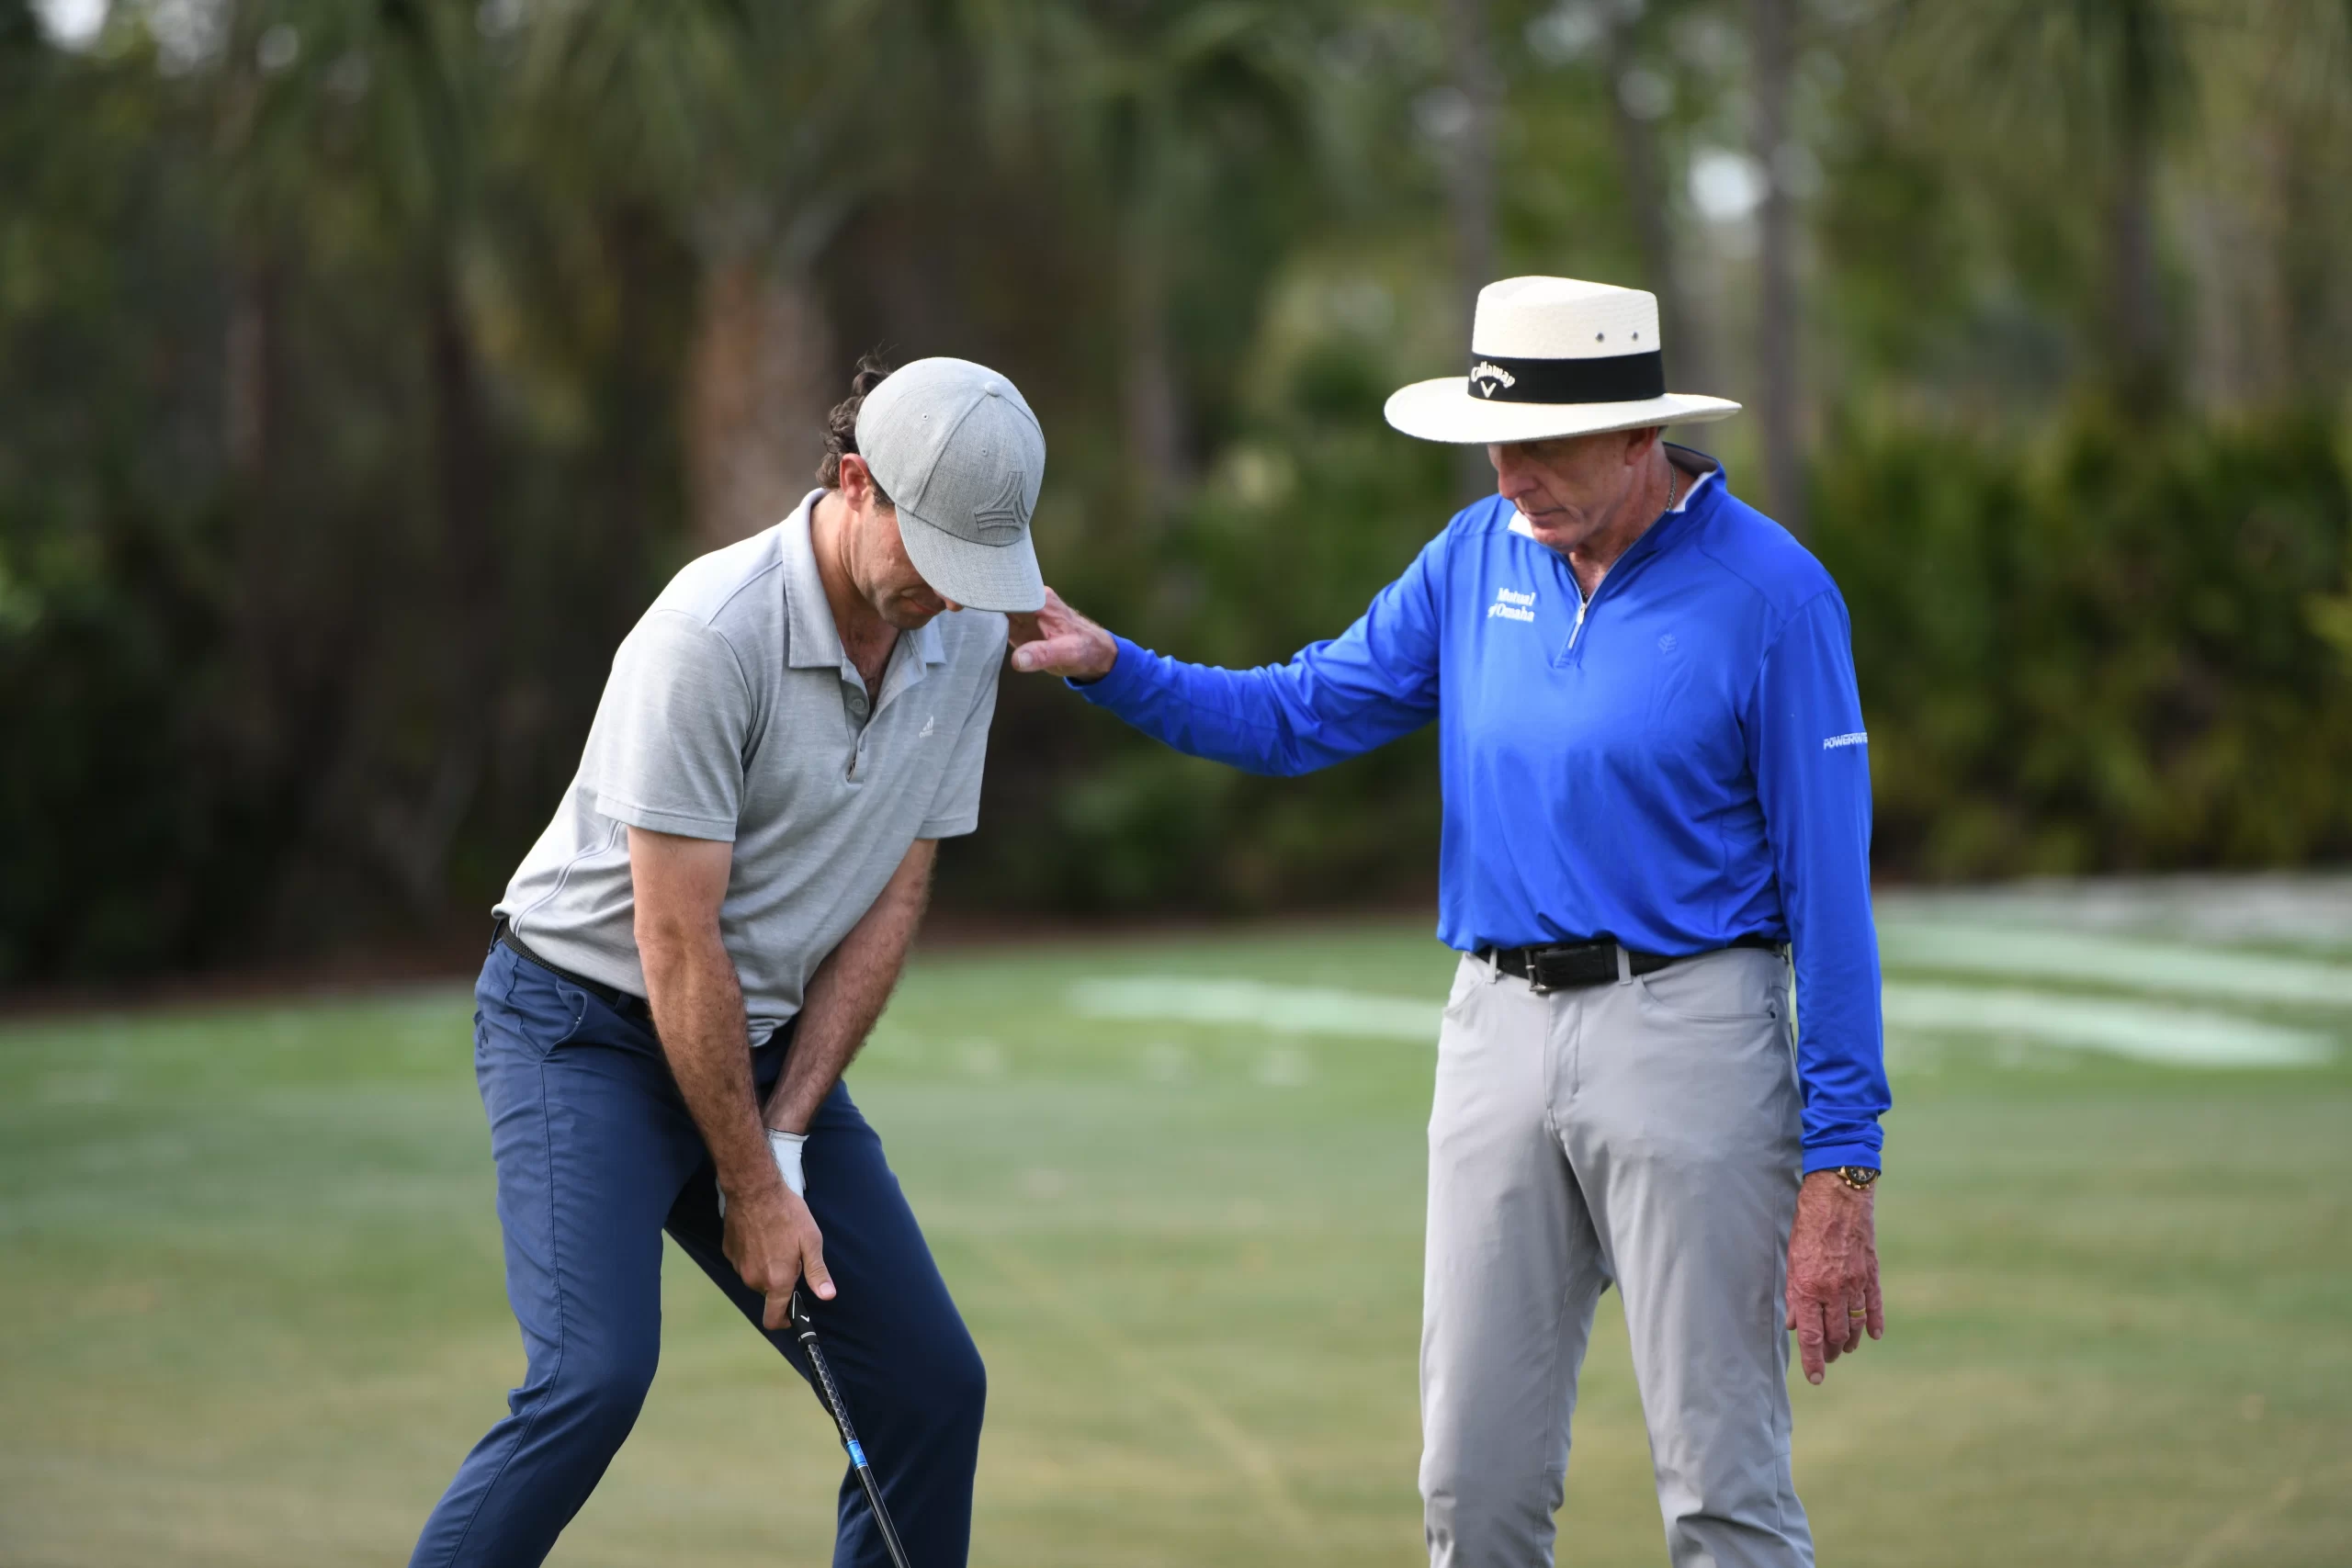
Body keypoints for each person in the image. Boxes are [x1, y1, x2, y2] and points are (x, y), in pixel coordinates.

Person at [1009, 276, 1890, 1568]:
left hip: (1695, 1033)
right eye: (1497, 440)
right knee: (1470, 1483)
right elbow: (1301, 710)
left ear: (1642, 436)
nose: (1511, 471)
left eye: (1545, 444)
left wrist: (1842, 1165)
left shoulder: (1776, 598)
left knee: (1722, 1487)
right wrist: (1114, 667)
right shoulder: (1475, 558)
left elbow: (1833, 894)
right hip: (1494, 1032)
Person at [409, 355, 1048, 1568]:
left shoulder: (961, 632)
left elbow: (896, 882)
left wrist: (792, 1126)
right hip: (582, 1026)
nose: (957, 598)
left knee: (926, 1387)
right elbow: (673, 938)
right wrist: (754, 1187)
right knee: (590, 1379)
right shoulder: (710, 633)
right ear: (857, 482)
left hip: (755, 1037)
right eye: (938, 558)